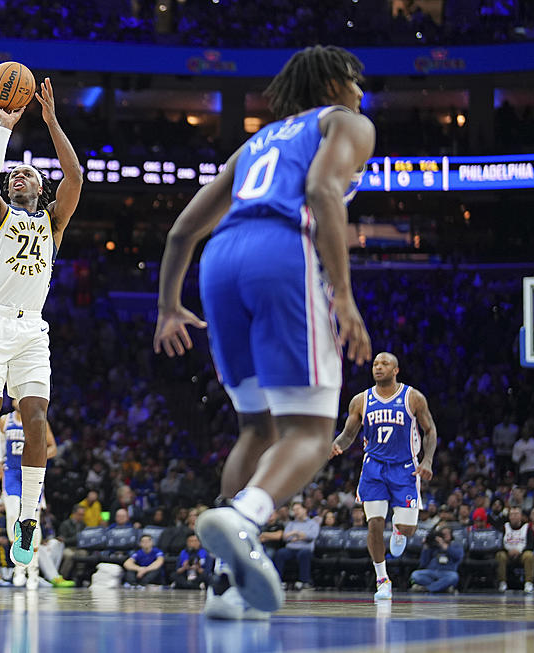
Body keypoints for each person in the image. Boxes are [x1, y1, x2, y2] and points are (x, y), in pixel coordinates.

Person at [153, 44, 374, 618]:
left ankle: (224, 584)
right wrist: (344, 298)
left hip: (219, 262)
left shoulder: (256, 141)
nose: (361, 91)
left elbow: (182, 231)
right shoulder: (346, 122)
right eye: (355, 81)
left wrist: (168, 307)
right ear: (333, 83)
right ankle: (246, 514)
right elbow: (324, 191)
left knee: (256, 426)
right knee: (312, 429)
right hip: (280, 252)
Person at [0, 76, 84, 574]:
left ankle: (28, 518)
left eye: (24, 175)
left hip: (33, 331)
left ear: (40, 186)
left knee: (37, 421)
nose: (14, 179)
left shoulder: (53, 221)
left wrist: (49, 120)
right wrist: (4, 129)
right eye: (11, 177)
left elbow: (76, 175)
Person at [329, 352, 438, 600]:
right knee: (374, 523)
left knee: (408, 528)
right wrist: (336, 445)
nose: (378, 367)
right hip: (374, 468)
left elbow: (430, 430)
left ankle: (399, 530)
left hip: (405, 468)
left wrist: (428, 460)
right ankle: (382, 580)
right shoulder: (361, 400)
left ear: (396, 370)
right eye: (376, 364)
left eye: (384, 364)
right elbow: (348, 434)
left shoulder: (413, 397)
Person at [0, 400, 58, 589]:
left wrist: (39, 455)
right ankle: (19, 567)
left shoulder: (40, 420)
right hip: (12, 473)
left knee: (32, 520)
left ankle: (33, 570)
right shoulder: (5, 420)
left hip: (31, 472)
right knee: (13, 516)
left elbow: (53, 447)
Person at [272, 501, 321, 590]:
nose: (296, 512)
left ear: (305, 510)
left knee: (304, 554)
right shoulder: (291, 524)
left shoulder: (313, 523)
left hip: (305, 549)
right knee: (280, 553)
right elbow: (285, 537)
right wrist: (300, 536)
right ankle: (278, 581)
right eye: (294, 510)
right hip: (291, 549)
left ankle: (304, 582)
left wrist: (295, 533)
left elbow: (312, 536)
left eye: (298, 509)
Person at [410, 526, 462, 594]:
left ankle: (427, 588)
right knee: (415, 575)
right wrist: (426, 547)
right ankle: (443, 588)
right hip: (432, 572)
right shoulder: (434, 546)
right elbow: (423, 563)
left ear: (451, 535)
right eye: (443, 534)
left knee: (454, 577)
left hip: (447, 572)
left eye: (447, 534)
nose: (445, 535)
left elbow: (458, 557)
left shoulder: (456, 545)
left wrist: (445, 546)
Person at [496, 506, 534, 593]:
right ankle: (502, 582)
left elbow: (531, 545)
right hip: (507, 554)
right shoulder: (504, 528)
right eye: (512, 514)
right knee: (500, 555)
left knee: (529, 555)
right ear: (509, 516)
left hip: (522, 554)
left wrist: (519, 551)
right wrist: (508, 551)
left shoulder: (527, 528)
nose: (514, 517)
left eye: (516, 514)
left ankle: (528, 583)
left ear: (521, 516)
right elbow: (499, 544)